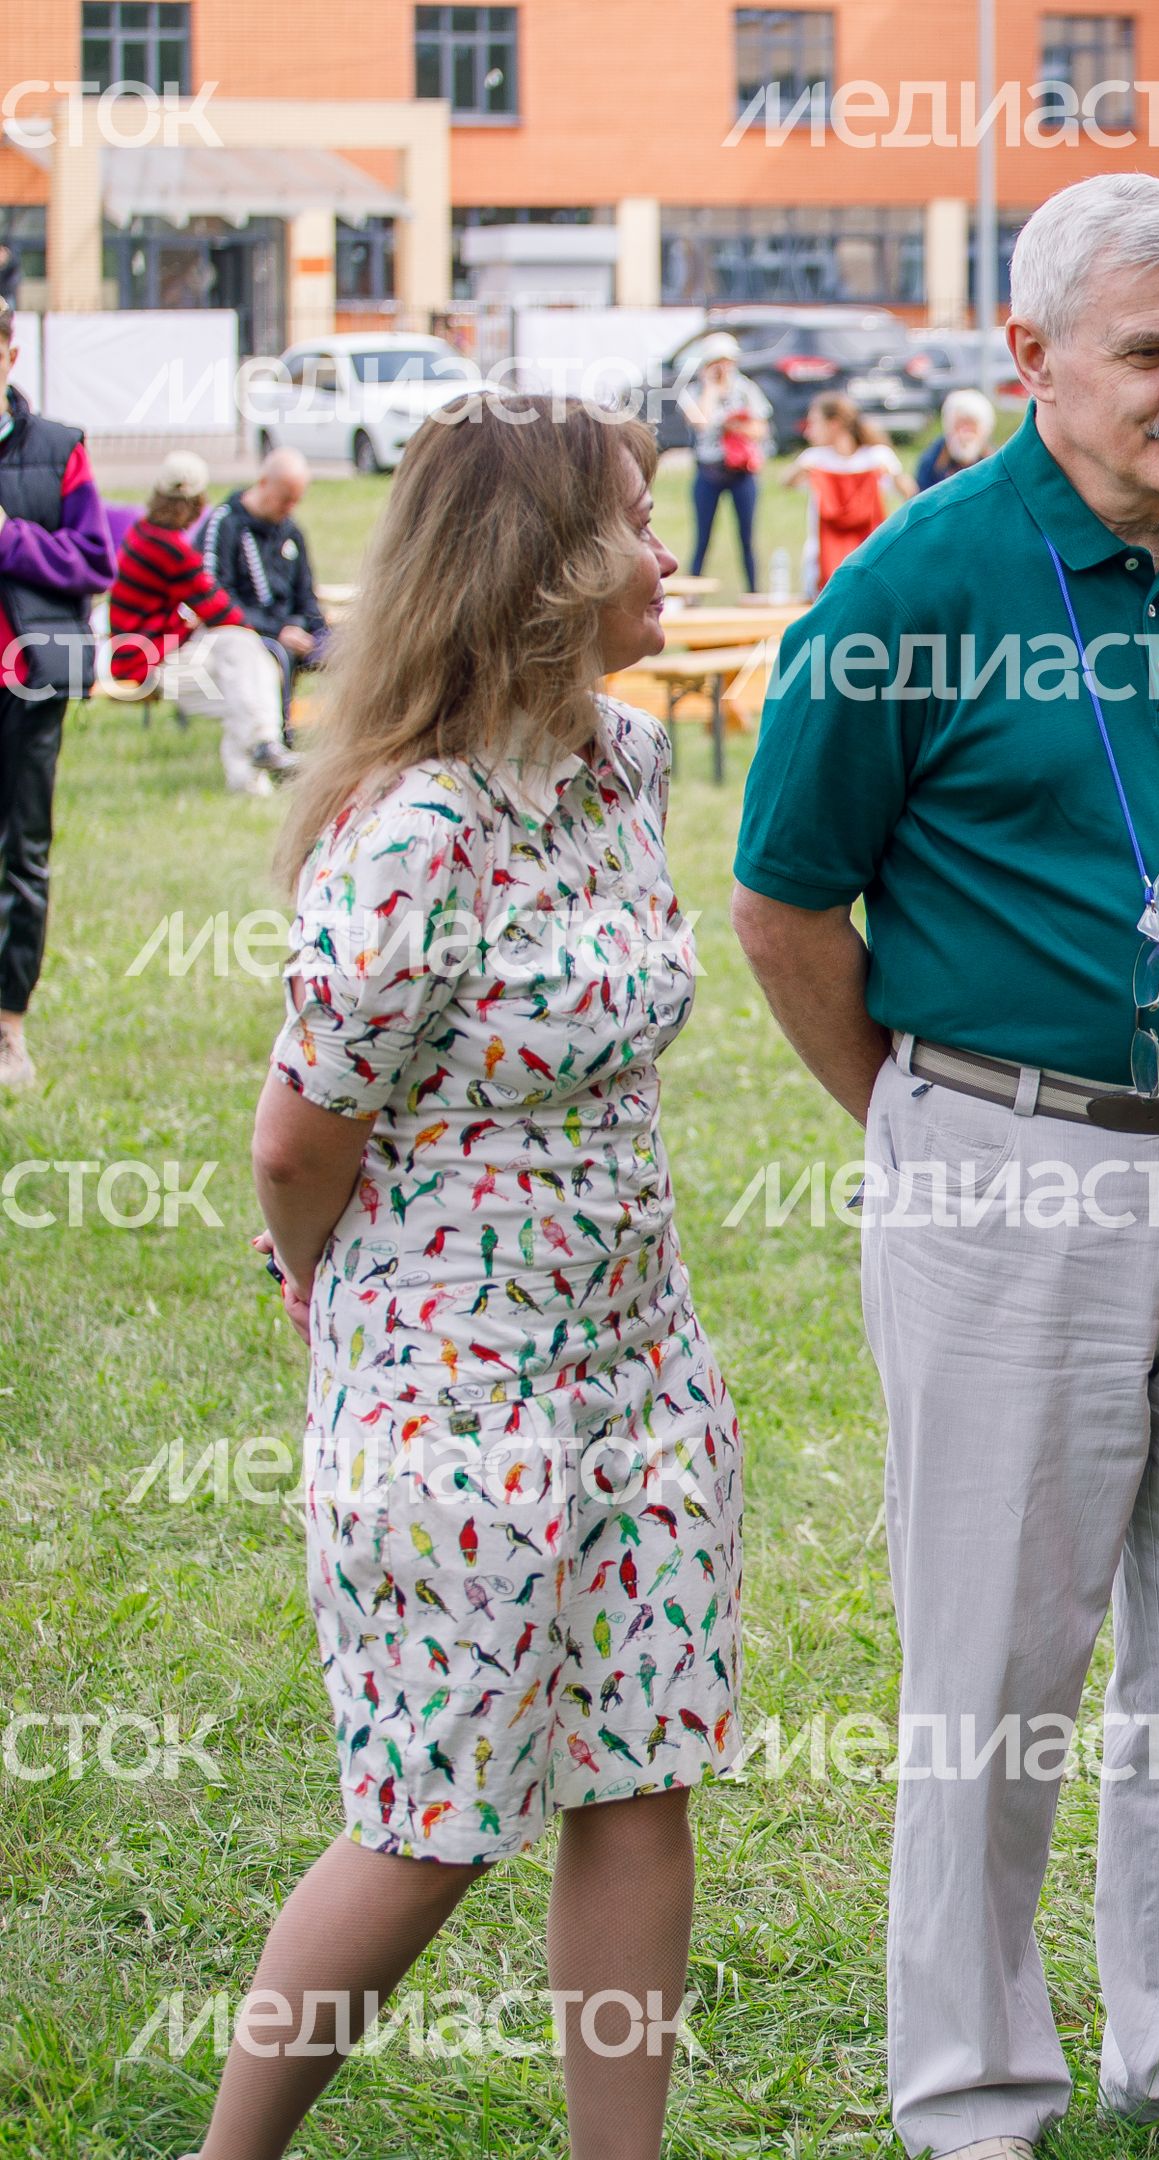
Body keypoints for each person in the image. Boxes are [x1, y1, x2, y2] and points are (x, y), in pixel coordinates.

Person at [730, 173, 1159, 2160]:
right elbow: (784, 906)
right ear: (1031, 363)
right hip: (1007, 1172)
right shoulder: (912, 586)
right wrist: (928, 1137)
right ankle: (972, 2097)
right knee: (996, 1659)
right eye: (1156, 353)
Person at [199, 393, 741, 2160]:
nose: (670, 555)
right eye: (640, 524)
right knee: (432, 1810)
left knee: (641, 1763)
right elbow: (300, 1139)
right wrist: (317, 1292)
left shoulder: (621, 760)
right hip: (453, 1382)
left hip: (638, 1358)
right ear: (541, 567)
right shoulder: (415, 834)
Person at [0, 301, 116, 1091]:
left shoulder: (57, 447)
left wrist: (8, 535)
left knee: (23, 854)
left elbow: (94, 561)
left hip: (30, 684)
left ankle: (8, 1024)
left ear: (10, 353)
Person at [106, 451, 294, 795]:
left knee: (248, 675)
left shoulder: (143, 532)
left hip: (141, 651)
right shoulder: (170, 550)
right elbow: (222, 611)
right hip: (142, 661)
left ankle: (256, 769)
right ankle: (264, 748)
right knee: (241, 651)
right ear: (198, 502)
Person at [206, 444, 330, 730]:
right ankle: (279, 743)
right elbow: (217, 598)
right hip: (254, 633)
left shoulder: (291, 530)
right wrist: (278, 630)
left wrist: (316, 630)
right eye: (284, 500)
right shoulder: (226, 525)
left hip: (296, 628)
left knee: (356, 651)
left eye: (295, 501)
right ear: (264, 484)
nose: (289, 508)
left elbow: (305, 592)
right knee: (279, 654)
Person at [788, 391, 907, 591]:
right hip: (823, 556)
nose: (808, 432)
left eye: (814, 423)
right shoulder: (815, 459)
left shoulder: (876, 457)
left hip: (866, 551)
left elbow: (908, 491)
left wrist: (892, 474)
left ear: (834, 424)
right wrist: (803, 470)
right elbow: (786, 482)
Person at [679, 336, 770, 593]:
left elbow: (760, 428)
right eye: (716, 363)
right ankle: (692, 594)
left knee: (747, 537)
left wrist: (735, 425)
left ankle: (753, 593)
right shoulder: (695, 392)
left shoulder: (745, 389)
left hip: (741, 472)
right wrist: (711, 388)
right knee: (702, 537)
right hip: (709, 470)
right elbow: (701, 421)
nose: (723, 369)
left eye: (727, 362)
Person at [917, 386, 997, 491]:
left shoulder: (992, 459)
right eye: (960, 424)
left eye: (971, 425)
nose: (965, 433)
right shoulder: (933, 458)